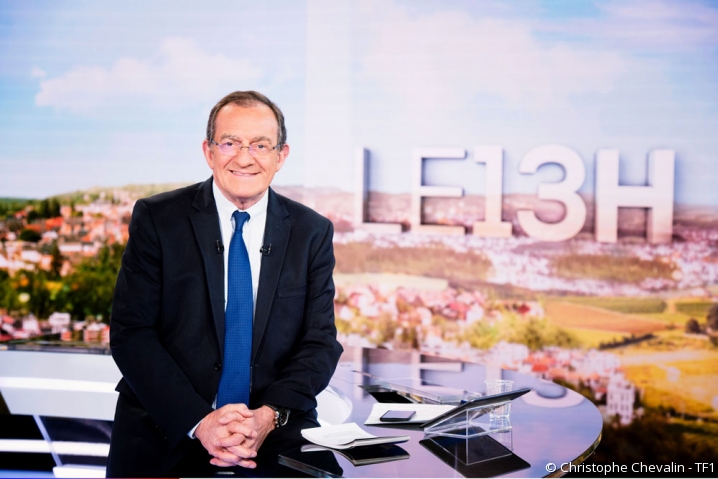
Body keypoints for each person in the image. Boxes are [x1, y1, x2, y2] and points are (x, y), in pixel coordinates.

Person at [107, 91, 343, 477]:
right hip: (167, 429)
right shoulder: (157, 218)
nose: (245, 157)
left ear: (281, 156)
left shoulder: (311, 232)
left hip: (271, 434)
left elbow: (319, 342)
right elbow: (132, 334)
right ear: (209, 151)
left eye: (261, 145)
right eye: (230, 143)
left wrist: (267, 417)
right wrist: (201, 422)